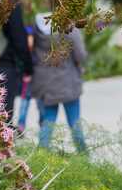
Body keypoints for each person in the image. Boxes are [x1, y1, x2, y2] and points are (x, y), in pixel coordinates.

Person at [31, 12, 88, 153]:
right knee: (75, 123)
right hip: (68, 82)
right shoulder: (68, 27)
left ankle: (41, 155)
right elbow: (80, 55)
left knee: (48, 121)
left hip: (45, 83)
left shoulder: (37, 27)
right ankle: (84, 155)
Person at [0, 0, 34, 124]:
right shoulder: (10, 3)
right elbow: (19, 39)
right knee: (2, 118)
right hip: (4, 66)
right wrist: (28, 68)